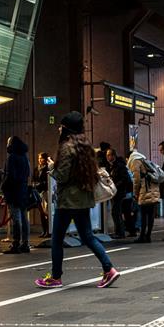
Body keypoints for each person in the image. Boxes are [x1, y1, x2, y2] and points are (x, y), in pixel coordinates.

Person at [36, 112, 119, 289]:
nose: (58, 128)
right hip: (84, 197)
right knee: (87, 236)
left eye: (61, 126)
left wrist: (51, 168)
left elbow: (63, 175)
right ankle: (109, 268)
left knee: (57, 238)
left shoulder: (66, 147)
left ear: (66, 129)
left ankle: (55, 277)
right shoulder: (85, 146)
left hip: (68, 201)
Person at [1, 136, 31, 253]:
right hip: (23, 191)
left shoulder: (11, 158)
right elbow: (28, 173)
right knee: (24, 218)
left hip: (13, 191)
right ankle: (25, 243)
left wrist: (3, 186)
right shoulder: (25, 157)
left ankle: (16, 243)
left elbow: (10, 176)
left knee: (16, 218)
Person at [127, 149, 161, 243]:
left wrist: (135, 193)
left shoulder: (135, 161)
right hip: (153, 189)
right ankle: (148, 235)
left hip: (145, 190)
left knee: (143, 214)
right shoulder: (143, 159)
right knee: (150, 215)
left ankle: (142, 236)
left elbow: (136, 180)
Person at [106, 148, 132, 239]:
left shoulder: (119, 166)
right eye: (107, 155)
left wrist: (115, 185)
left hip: (119, 192)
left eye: (109, 155)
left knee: (116, 212)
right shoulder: (111, 166)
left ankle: (120, 232)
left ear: (113, 156)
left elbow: (124, 179)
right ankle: (120, 231)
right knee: (117, 212)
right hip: (114, 192)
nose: (108, 157)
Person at [33, 151, 52, 238]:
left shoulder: (48, 168)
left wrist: (40, 184)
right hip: (38, 192)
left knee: (47, 212)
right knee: (41, 213)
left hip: (45, 192)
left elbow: (48, 181)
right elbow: (33, 179)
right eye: (39, 158)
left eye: (42, 158)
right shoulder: (36, 169)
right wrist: (34, 184)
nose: (40, 160)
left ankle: (48, 231)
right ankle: (43, 231)